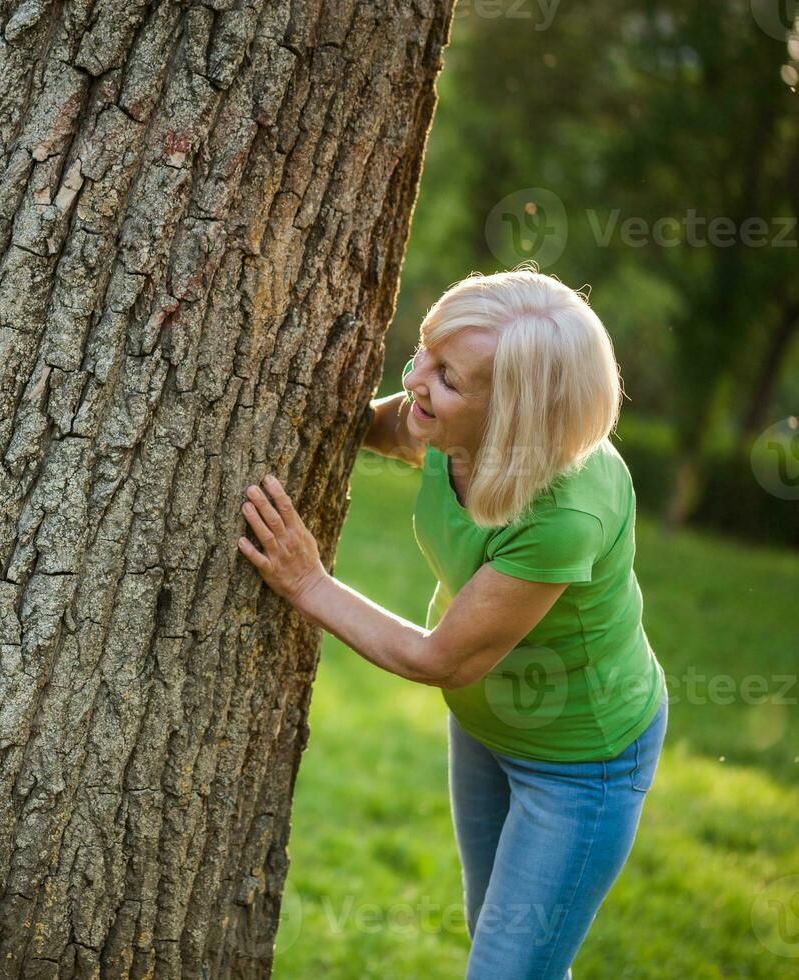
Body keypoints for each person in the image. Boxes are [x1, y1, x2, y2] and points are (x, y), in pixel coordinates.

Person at [238, 267, 667, 980]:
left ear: (515, 418)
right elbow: (377, 429)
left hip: (578, 764)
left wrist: (307, 581)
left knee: (508, 971)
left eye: (447, 377)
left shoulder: (564, 514)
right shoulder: (445, 428)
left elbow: (443, 659)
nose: (412, 379)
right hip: (485, 728)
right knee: (505, 949)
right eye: (424, 352)